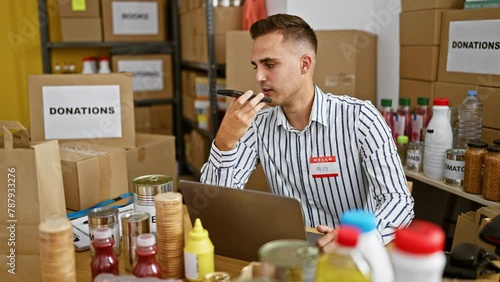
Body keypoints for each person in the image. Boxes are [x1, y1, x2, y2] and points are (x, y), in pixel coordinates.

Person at [200, 13, 414, 251]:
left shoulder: (360, 118)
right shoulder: (257, 124)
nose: (258, 77)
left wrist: (360, 238)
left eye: (269, 64)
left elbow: (399, 200)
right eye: (256, 66)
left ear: (304, 64)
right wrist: (224, 142)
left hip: (351, 255)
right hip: (291, 254)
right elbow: (216, 206)